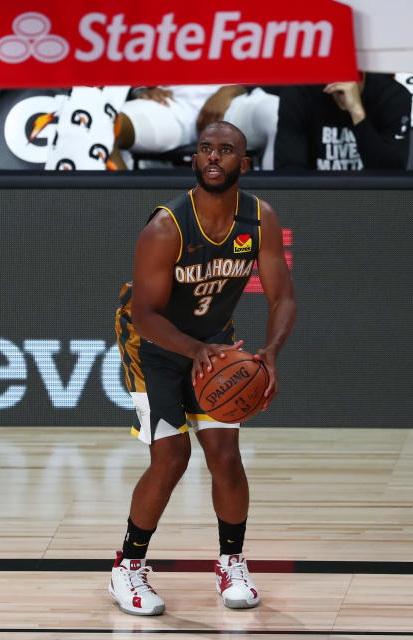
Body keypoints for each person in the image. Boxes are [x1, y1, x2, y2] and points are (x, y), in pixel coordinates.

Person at [110, 121, 297, 615]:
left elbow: (284, 298)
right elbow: (145, 315)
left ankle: (231, 562)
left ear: (244, 163)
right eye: (206, 149)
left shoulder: (260, 219)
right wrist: (193, 350)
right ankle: (126, 567)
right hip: (151, 344)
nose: (214, 156)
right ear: (195, 159)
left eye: (226, 150)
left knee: (225, 454)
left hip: (210, 343)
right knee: (171, 457)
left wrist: (271, 352)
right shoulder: (166, 226)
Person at [108, 85, 280, 170]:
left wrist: (234, 88)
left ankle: (271, 222)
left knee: (276, 114)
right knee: (106, 124)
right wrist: (140, 88)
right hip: (167, 100)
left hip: (234, 99)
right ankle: (128, 221)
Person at [273, 72, 412, 171]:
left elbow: (392, 173)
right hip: (316, 199)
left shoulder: (392, 96)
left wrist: (357, 113)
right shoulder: (300, 93)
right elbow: (289, 170)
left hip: (372, 200)